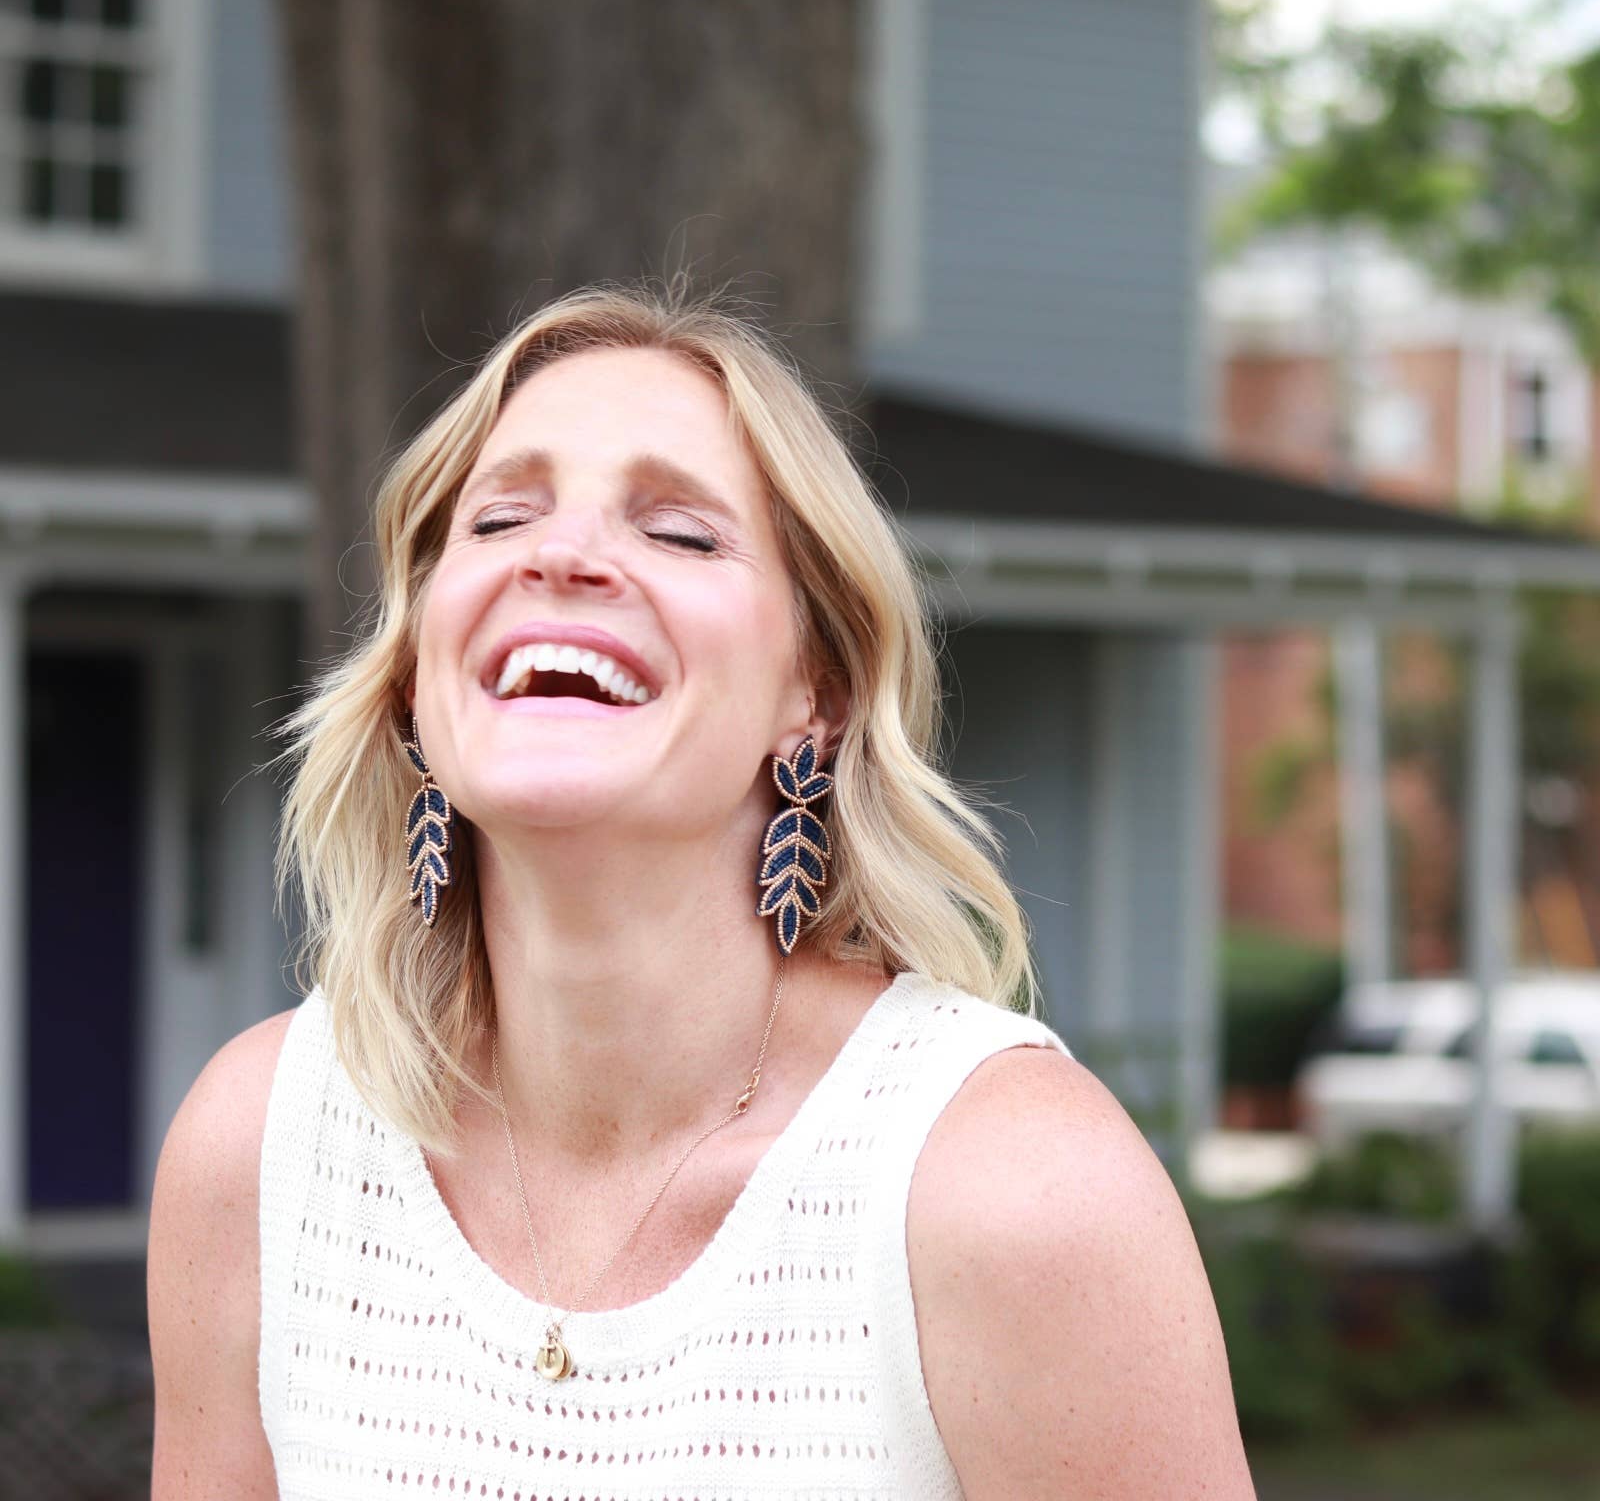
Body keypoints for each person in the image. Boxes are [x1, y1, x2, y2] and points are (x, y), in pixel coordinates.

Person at [147, 280, 1258, 1498]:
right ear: (416, 671)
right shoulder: (262, 1147)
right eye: (501, 517)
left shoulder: (1012, 1191)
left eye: (680, 533)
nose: (562, 555)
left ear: (814, 695)